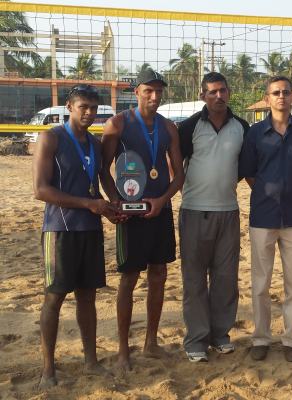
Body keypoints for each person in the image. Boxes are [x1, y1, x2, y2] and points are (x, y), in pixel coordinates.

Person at [33, 84, 118, 388]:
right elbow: (40, 190)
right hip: (60, 229)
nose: (89, 113)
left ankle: (91, 362)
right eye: (83, 107)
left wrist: (116, 205)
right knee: (54, 297)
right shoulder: (51, 138)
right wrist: (89, 204)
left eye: (94, 108)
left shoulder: (95, 143)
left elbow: (102, 178)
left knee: (87, 297)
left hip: (90, 228)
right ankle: (48, 369)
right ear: (69, 107)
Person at [100, 68, 185, 371]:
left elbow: (179, 175)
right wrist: (115, 202)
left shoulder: (168, 127)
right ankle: (123, 349)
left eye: (159, 91)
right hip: (130, 212)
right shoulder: (118, 124)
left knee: (159, 274)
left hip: (159, 209)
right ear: (136, 92)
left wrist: (162, 200)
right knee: (129, 278)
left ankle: (151, 342)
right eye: (148, 90)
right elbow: (103, 169)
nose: (154, 96)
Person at [239, 76, 292, 362]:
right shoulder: (254, 132)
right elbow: (249, 172)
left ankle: (291, 340)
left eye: (286, 92)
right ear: (267, 98)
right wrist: (268, 193)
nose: (281, 97)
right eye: (276, 93)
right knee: (260, 283)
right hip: (263, 215)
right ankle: (261, 338)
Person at [177, 72, 249, 362]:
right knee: (194, 280)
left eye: (222, 91)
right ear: (202, 96)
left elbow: (243, 166)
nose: (218, 96)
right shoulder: (189, 127)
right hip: (195, 211)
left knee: (225, 279)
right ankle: (196, 340)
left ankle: (220, 335)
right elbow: (175, 165)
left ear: (229, 92)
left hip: (228, 211)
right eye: (212, 92)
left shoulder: (242, 127)